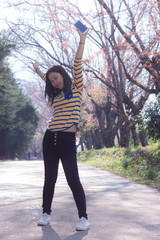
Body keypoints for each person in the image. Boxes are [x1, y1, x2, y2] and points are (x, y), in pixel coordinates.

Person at [32, 28, 89, 231]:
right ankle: (46, 213)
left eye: (56, 78)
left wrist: (82, 40)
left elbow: (77, 64)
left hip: (66, 139)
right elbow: (45, 79)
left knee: (73, 179)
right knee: (50, 178)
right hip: (50, 137)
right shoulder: (55, 95)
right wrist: (38, 71)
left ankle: (83, 217)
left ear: (63, 76)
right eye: (52, 80)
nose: (55, 82)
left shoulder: (76, 88)